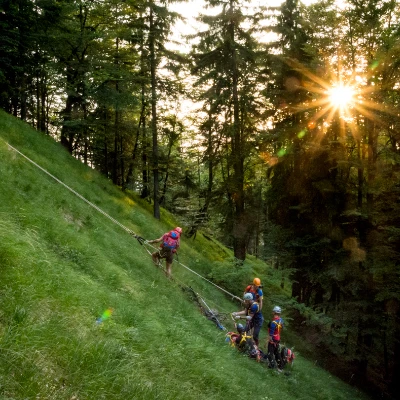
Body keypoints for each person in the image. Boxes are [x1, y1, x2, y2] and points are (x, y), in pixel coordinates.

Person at [266, 305, 284, 372]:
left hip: (273, 339)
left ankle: (271, 365)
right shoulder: (281, 320)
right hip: (278, 338)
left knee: (270, 352)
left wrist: (270, 339)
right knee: (277, 352)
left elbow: (271, 333)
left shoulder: (273, 323)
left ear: (274, 312)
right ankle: (280, 366)